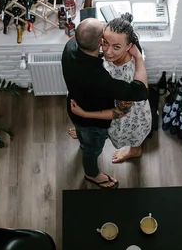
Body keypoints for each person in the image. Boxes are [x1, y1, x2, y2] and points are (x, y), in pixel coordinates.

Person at [62, 18, 148, 189]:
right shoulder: (99, 78)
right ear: (100, 41)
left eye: (116, 46)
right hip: (91, 121)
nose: (108, 50)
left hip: (73, 106)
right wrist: (139, 57)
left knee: (83, 135)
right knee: (92, 150)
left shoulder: (70, 46)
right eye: (105, 41)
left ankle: (81, 137)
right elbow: (140, 91)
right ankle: (91, 174)